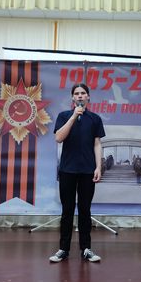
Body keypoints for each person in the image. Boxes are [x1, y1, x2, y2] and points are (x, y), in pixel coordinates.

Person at [49, 83, 105, 263]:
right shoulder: (64, 116)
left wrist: (98, 167)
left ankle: (86, 249)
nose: (80, 96)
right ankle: (63, 249)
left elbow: (97, 144)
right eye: (76, 93)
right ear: (72, 98)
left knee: (85, 210)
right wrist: (74, 116)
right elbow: (59, 138)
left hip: (87, 170)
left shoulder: (95, 119)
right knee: (67, 210)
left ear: (88, 97)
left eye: (83, 93)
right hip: (67, 170)